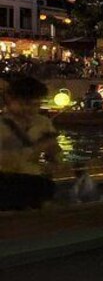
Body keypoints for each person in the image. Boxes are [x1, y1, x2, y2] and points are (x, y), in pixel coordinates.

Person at [0, 77, 62, 210]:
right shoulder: (2, 125)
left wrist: (53, 160)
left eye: (36, 105)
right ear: (10, 99)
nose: (31, 110)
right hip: (5, 180)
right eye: (25, 104)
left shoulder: (43, 122)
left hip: (33, 179)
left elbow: (54, 152)